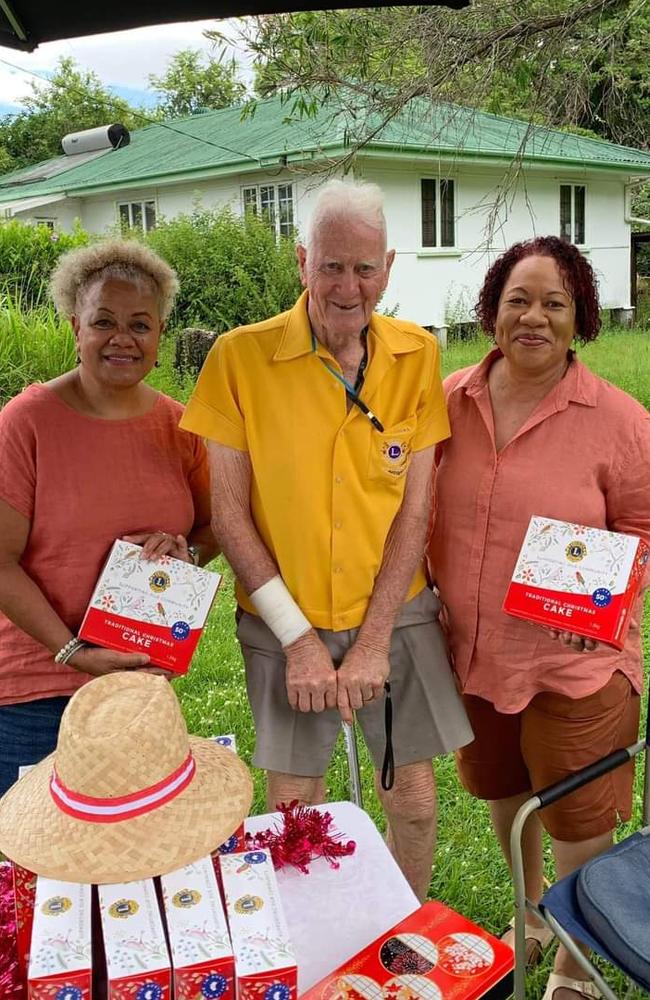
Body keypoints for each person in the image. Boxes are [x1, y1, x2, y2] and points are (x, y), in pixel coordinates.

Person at [180, 179, 472, 902]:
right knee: (293, 801)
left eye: (365, 268)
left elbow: (415, 510)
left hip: (394, 607)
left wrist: (373, 641)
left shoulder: (418, 355)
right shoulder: (238, 358)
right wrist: (299, 640)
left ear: (389, 268)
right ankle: (312, 938)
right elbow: (231, 514)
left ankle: (402, 926)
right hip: (284, 613)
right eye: (332, 265)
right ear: (302, 261)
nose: (349, 286)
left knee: (413, 795)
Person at [428, 236, 650, 1000]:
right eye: (518, 300)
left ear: (580, 317)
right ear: (492, 310)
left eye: (554, 303)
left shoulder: (618, 420)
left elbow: (643, 531)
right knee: (502, 789)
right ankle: (530, 912)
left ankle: (574, 963)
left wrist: (604, 606)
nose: (534, 317)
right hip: (475, 653)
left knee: (575, 812)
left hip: (576, 663)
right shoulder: (447, 401)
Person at [0, 239, 217, 796]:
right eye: (104, 321)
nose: (123, 338)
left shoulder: (179, 426)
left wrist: (184, 552)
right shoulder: (25, 424)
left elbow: (214, 526)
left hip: (139, 681)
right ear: (76, 327)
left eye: (140, 324)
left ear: (160, 335)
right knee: (34, 868)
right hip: (36, 692)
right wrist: (75, 652)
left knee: (132, 852)